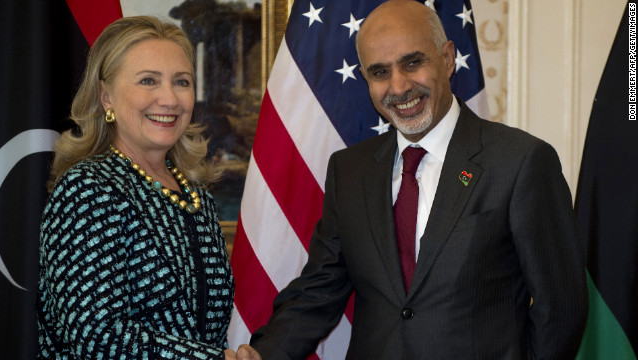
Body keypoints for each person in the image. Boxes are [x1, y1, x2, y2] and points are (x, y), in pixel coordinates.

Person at [236, 1, 588, 359]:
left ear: (448, 58)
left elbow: (560, 309)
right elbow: (319, 291)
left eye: (412, 62)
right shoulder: (350, 171)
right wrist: (264, 354)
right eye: (379, 72)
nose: (398, 86)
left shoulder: (520, 162)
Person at [37, 16, 237, 359]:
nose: (170, 99)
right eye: (148, 80)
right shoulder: (87, 190)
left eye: (182, 82)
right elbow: (95, 334)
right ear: (106, 98)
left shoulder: (195, 195)